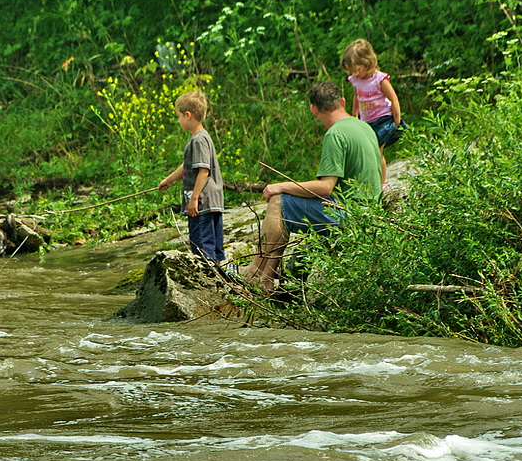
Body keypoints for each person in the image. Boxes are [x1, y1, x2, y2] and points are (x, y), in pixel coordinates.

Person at [240, 81, 381, 290]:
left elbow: (326, 188)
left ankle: (259, 274)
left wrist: (281, 186)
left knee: (278, 201)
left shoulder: (336, 134)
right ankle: (262, 275)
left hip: (348, 216)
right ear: (342, 101)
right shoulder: (365, 127)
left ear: (313, 109)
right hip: (369, 213)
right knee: (284, 203)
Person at [157, 90, 225, 262]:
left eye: (178, 116)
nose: (178, 120)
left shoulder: (198, 140)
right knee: (215, 246)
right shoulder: (202, 137)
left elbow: (203, 171)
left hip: (201, 204)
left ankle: (208, 280)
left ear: (187, 115)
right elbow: (188, 166)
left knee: (202, 246)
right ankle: (222, 276)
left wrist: (194, 199)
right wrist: (169, 180)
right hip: (212, 202)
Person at [341, 39, 405, 192]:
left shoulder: (379, 79)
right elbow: (357, 96)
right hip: (367, 120)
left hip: (383, 118)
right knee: (366, 150)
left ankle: (382, 183)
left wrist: (397, 118)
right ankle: (368, 180)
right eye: (351, 71)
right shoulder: (355, 80)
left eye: (356, 69)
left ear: (367, 63)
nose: (354, 74)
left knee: (377, 150)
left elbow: (393, 98)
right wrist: (355, 114)